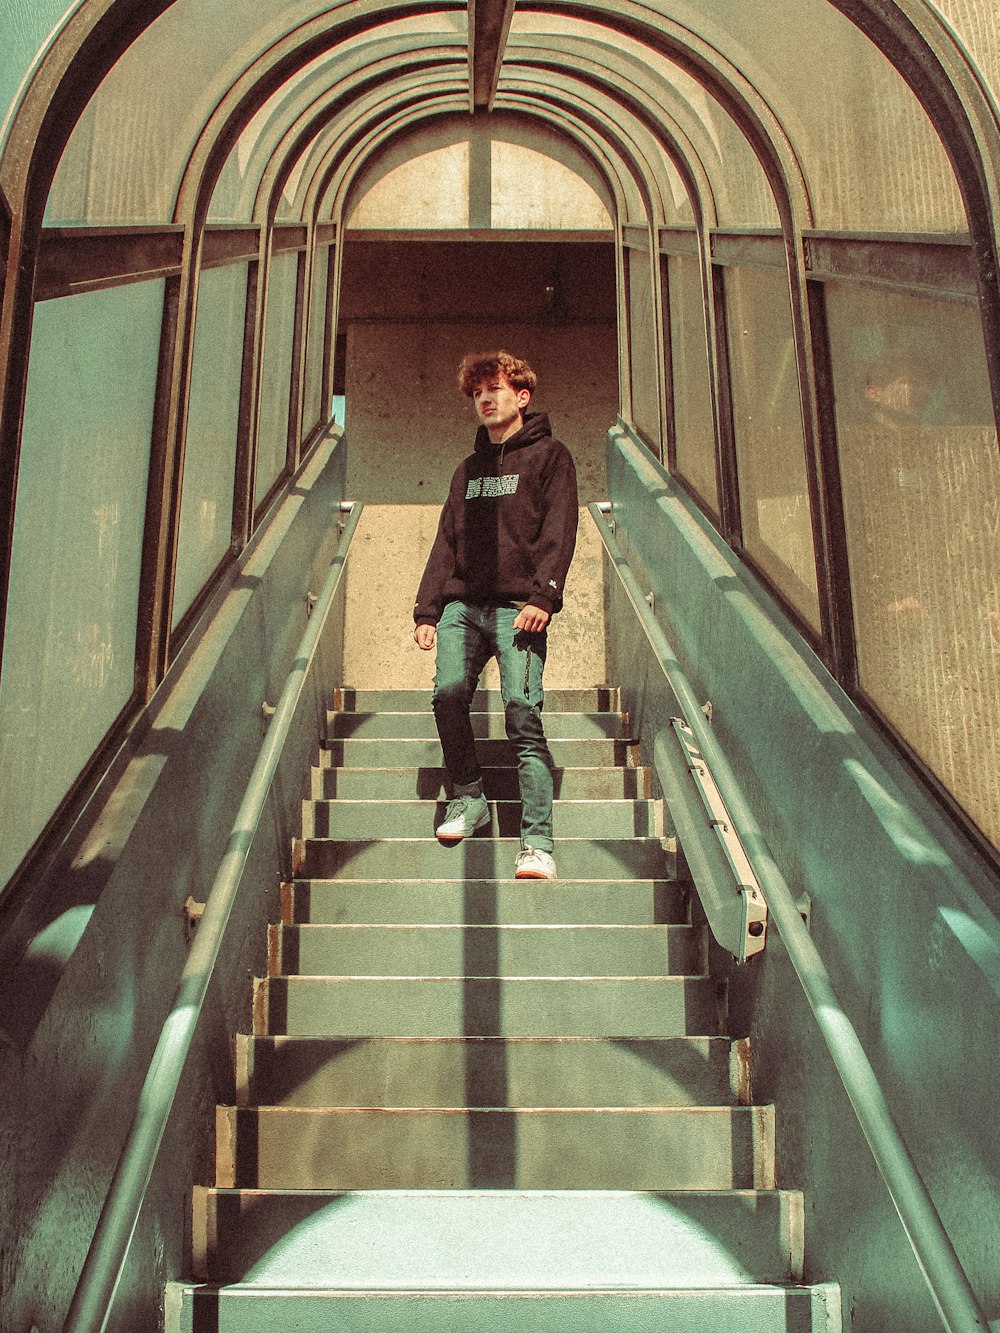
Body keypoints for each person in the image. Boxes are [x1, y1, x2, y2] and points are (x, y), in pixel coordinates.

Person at [413, 351, 578, 880]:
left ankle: (536, 842)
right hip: (464, 605)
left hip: (518, 609)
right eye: (478, 393)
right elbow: (446, 542)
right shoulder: (467, 471)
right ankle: (469, 797)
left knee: (521, 712)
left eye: (496, 389)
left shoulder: (550, 457)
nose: (485, 399)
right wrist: (428, 608)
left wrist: (543, 597)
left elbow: (559, 531)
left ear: (522, 397)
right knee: (448, 691)